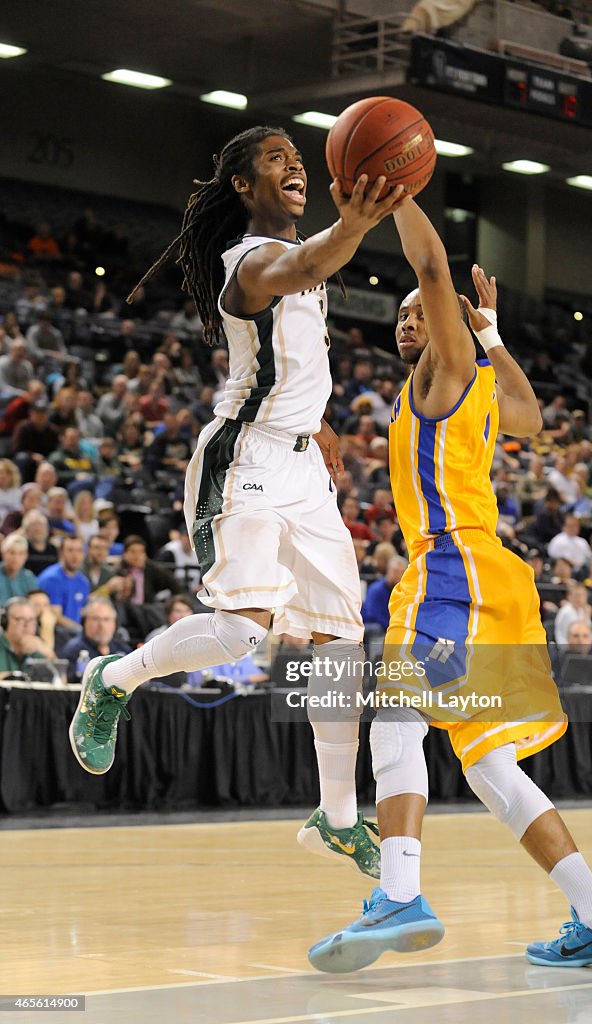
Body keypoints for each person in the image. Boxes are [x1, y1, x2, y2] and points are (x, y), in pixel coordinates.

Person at [308, 200, 592, 972]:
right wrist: (493, 334)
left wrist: (396, 197)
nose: (406, 323)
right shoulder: (481, 384)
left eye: (418, 315)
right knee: (490, 769)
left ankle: (398, 894)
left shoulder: (443, 371)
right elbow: (525, 417)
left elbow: (429, 269)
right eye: (397, 318)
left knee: (393, 717)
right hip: (490, 577)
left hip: (452, 565)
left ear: (445, 326)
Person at [68, 125, 408, 880]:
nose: (293, 166)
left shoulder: (305, 260)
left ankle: (337, 817)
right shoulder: (249, 263)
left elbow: (299, 332)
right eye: (274, 161)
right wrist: (358, 218)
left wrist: (317, 429)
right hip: (244, 458)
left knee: (341, 642)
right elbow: (308, 260)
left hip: (301, 470)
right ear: (244, 189)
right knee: (242, 632)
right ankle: (113, 679)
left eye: (297, 157)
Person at [61, 598, 131, 684]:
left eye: (106, 619)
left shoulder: (123, 649)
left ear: (115, 623)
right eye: (95, 619)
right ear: (84, 622)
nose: (101, 625)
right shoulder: (73, 650)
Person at [0, 596, 55, 678]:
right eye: (20, 619)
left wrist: (49, 655)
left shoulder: (39, 646)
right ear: (5, 621)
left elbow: (61, 682)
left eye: (31, 620)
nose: (27, 625)